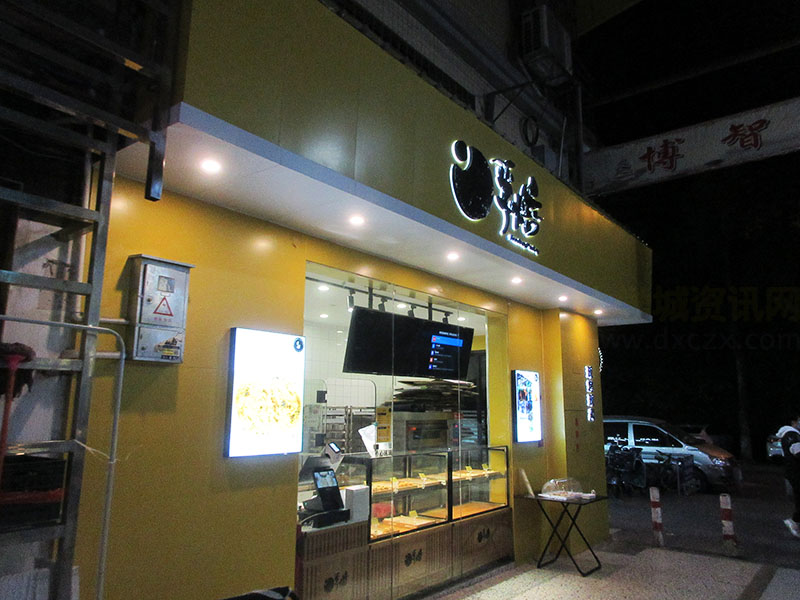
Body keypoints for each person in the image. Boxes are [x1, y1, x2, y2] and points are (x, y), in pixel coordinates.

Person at [777, 415, 800, 538]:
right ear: (793, 422)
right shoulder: (792, 434)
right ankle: (794, 522)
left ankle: (795, 522)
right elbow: (797, 451)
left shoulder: (790, 434)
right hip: (796, 472)